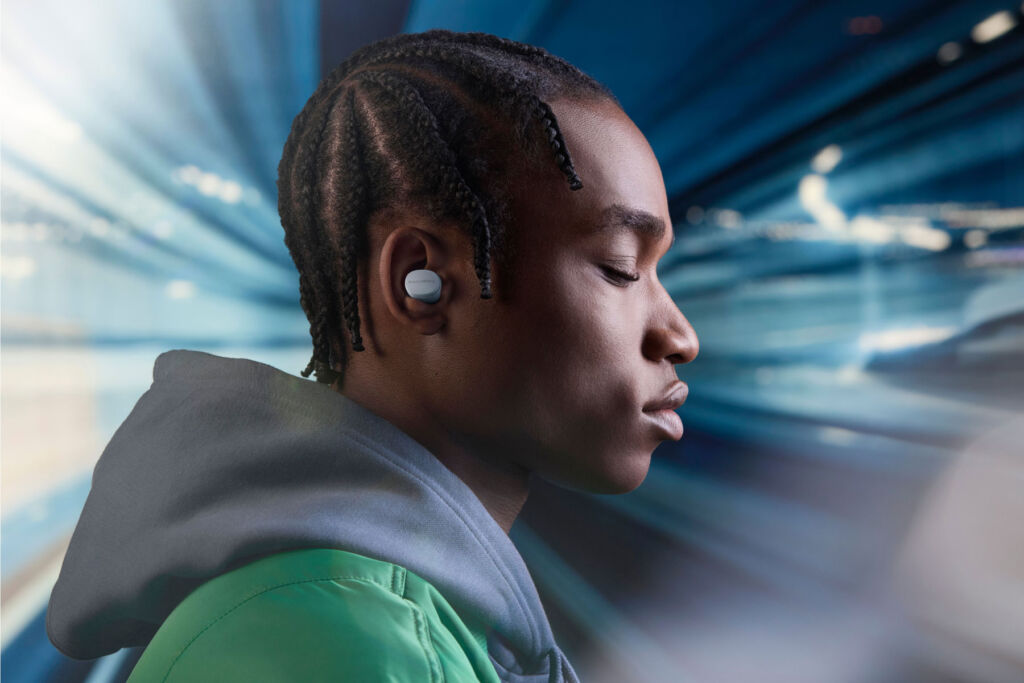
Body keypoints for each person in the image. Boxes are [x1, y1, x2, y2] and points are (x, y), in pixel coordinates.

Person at [46, 29, 698, 682]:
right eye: (620, 268)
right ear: (422, 281)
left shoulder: (369, 618)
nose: (680, 336)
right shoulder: (348, 645)